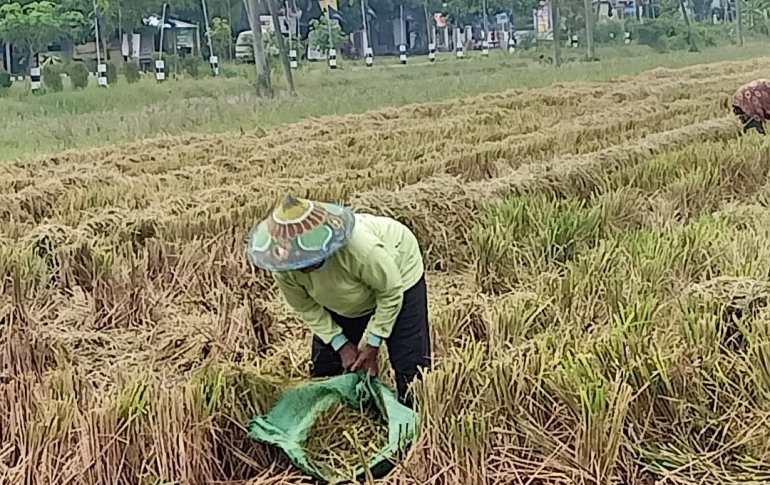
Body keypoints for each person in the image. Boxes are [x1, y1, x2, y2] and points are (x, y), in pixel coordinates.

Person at [246, 195, 431, 408]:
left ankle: (413, 419)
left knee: (410, 367)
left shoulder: (361, 248)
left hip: (399, 269)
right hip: (343, 296)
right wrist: (340, 344)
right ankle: (340, 410)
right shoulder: (283, 265)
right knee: (325, 367)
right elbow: (306, 307)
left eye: (305, 259)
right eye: (294, 262)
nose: (300, 268)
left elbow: (390, 291)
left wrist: (373, 344)